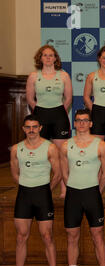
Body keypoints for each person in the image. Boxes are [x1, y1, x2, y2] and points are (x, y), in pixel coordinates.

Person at [5, 115, 61, 266]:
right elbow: (15, 174)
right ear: (23, 129)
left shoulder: (50, 148)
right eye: (28, 127)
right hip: (24, 195)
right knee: (21, 236)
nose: (31, 130)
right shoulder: (16, 149)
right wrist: (26, 185)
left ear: (40, 128)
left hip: (43, 194)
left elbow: (58, 174)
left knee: (47, 236)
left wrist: (46, 190)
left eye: (34, 127)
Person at [58, 109, 105, 266]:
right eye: (78, 120)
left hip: (92, 194)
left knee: (98, 236)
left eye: (85, 120)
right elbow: (64, 173)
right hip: (73, 194)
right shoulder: (65, 146)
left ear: (90, 124)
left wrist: (97, 190)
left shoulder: (101, 145)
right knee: (72, 237)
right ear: (74, 123)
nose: (81, 123)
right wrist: (71, 185)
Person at [26, 44, 72, 198]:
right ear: (40, 58)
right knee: (41, 153)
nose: (48, 58)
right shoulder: (33, 76)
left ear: (55, 58)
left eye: (51, 55)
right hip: (40, 115)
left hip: (59, 115)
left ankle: (64, 188)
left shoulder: (63, 75)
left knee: (61, 154)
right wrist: (41, 111)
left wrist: (57, 110)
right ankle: (41, 185)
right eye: (45, 55)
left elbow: (68, 99)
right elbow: (30, 99)